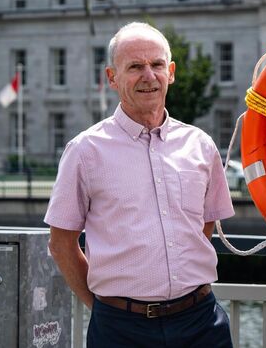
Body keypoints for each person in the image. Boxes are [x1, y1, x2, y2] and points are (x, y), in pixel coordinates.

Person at [45, 22, 235, 347]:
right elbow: (62, 244)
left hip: (201, 323)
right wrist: (105, 307)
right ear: (112, 77)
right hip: (121, 330)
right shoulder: (85, 152)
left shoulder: (201, 146)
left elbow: (202, 226)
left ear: (171, 72)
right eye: (135, 66)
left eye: (157, 65)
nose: (149, 75)